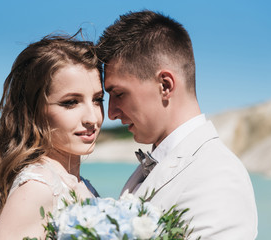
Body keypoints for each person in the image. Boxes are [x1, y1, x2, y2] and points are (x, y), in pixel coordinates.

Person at [97, 10, 258, 239]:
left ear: (165, 85)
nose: (110, 113)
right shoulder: (151, 166)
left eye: (119, 93)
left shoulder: (218, 175)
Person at [0, 32, 104, 240]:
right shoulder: (38, 188)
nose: (92, 117)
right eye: (70, 102)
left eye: (97, 99)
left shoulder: (77, 184)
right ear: (34, 110)